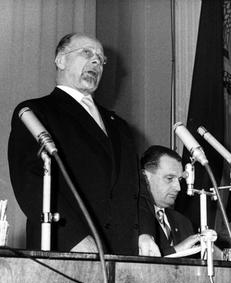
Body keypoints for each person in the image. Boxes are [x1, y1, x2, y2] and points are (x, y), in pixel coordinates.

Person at [8, 33, 140, 255]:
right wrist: (73, 239)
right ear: (60, 60)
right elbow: (30, 183)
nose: (97, 61)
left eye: (101, 58)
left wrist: (144, 234)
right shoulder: (36, 113)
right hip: (66, 250)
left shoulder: (119, 126)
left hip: (122, 256)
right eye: (87, 53)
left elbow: (134, 188)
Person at [138, 145, 201, 256]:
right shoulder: (133, 220)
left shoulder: (183, 223)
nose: (178, 188)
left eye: (180, 179)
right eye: (169, 178)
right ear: (145, 177)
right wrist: (177, 250)